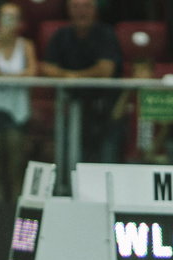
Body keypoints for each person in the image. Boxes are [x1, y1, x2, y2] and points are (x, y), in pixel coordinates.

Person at [41, 0, 124, 164]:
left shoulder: (106, 34)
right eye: (76, 7)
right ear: (68, 10)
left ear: (95, 10)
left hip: (105, 112)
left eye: (86, 6)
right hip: (72, 111)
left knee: (105, 163)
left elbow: (105, 70)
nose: (81, 12)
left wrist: (73, 76)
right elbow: (47, 68)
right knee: (71, 162)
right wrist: (70, 76)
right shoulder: (61, 35)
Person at [0, 2, 37, 202]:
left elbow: (32, 72)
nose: (8, 21)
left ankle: (15, 204)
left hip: (16, 110)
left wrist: (8, 76)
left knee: (15, 165)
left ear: (19, 22)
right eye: (4, 17)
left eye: (12, 17)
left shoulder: (26, 45)